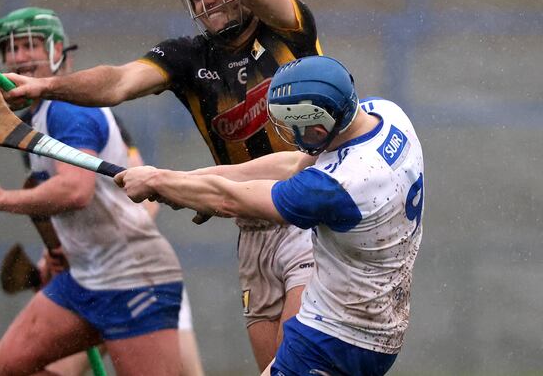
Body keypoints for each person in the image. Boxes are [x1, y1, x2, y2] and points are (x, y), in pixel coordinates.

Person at [1, 0, 321, 370]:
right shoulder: (188, 57)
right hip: (250, 223)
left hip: (308, 212)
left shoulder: (286, 25)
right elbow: (117, 82)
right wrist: (46, 86)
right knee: (271, 368)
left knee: (297, 366)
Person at [116, 56, 425, 375]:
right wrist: (176, 180)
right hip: (374, 327)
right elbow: (289, 164)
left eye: (294, 127)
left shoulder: (340, 184)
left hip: (333, 337)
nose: (291, 135)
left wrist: (158, 182)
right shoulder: (386, 115)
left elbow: (230, 200)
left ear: (319, 127)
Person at [0, 7, 184, 376]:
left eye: (29, 45)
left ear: (57, 50)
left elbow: (76, 190)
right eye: (10, 48)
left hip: (133, 278)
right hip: (84, 276)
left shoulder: (66, 109)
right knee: (6, 368)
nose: (19, 57)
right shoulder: (38, 118)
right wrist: (60, 250)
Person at [27, 119, 205, 376]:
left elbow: (146, 207)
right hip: (89, 283)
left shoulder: (95, 121)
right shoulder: (34, 130)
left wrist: (84, 247)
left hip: (138, 279)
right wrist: (58, 252)